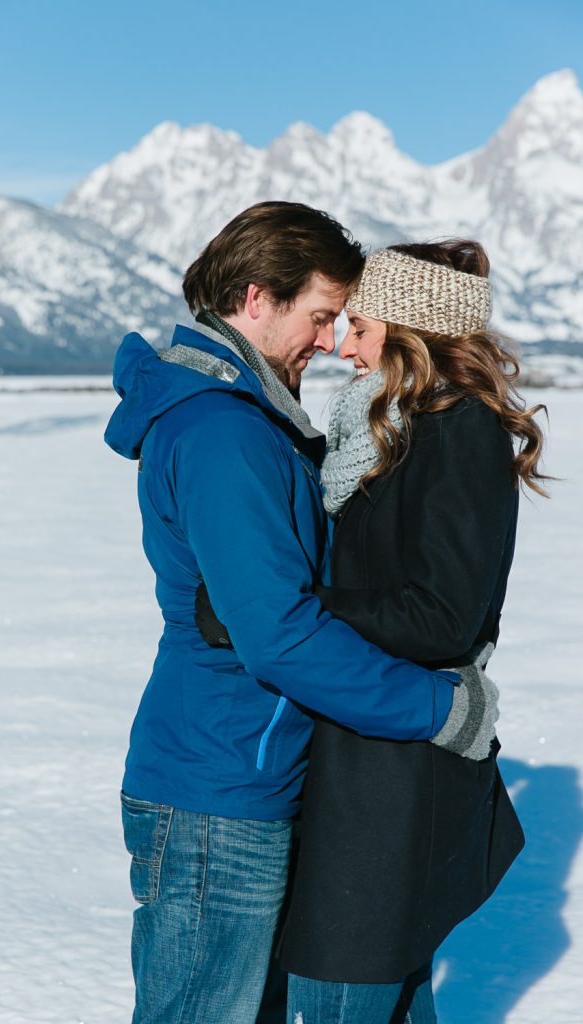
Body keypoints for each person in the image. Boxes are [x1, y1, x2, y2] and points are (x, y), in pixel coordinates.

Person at [104, 206, 497, 1024]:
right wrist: (439, 709)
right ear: (257, 299)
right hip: (218, 783)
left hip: (253, 770)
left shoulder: (257, 422)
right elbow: (278, 635)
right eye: (321, 317)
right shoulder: (224, 433)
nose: (328, 342)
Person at [277, 240, 547, 1023]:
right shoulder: (394, 428)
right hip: (367, 758)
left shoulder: (457, 430)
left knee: (346, 991)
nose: (338, 343)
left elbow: (441, 615)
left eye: (357, 325)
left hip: (392, 780)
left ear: (408, 330)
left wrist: (296, 608)